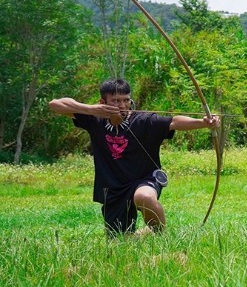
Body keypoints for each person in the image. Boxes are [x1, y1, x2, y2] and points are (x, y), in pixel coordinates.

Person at [49, 77, 219, 236]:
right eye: (115, 101)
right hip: (113, 188)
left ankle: (162, 238)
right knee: (120, 242)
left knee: (144, 197)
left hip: (144, 179)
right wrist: (89, 109)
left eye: (126, 100)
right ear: (103, 102)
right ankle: (146, 234)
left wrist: (203, 123)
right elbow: (55, 104)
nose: (122, 105)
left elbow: (173, 122)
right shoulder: (94, 118)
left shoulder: (144, 120)